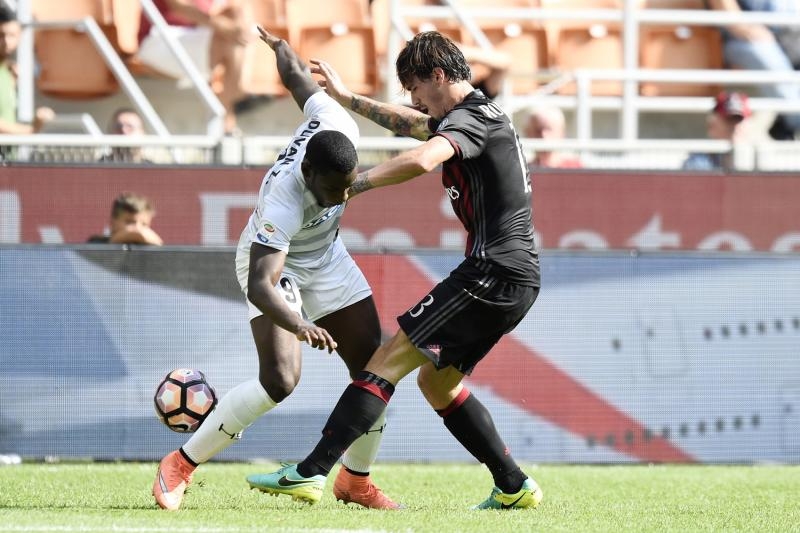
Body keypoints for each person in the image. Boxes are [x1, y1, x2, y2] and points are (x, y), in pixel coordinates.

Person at [246, 31, 543, 511]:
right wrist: (348, 99)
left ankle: (311, 472)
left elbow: (424, 157)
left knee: (385, 361)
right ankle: (513, 485)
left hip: (492, 272)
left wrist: (355, 184)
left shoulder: (470, 120)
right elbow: (413, 125)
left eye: (416, 88)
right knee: (436, 383)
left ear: (439, 75)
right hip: (515, 278)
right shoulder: (476, 115)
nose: (415, 100)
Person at [151, 25, 400, 511]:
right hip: (275, 266)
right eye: (332, 191)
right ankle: (180, 464)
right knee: (281, 380)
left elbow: (298, 81)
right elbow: (263, 285)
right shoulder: (283, 201)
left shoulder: (337, 125)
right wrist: (300, 323)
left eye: (348, 186)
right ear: (308, 173)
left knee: (376, 367)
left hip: (326, 257)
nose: (342, 196)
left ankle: (356, 481)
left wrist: (282, 48)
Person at [136, 0, 250, 135]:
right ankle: (228, 114)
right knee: (233, 39)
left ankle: (226, 112)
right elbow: (179, 7)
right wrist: (224, 27)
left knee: (236, 18)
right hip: (158, 39)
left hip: (195, 38)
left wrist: (238, 30)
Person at [707, 0, 800, 140]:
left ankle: (787, 123)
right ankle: (794, 121)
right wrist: (744, 28)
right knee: (762, 53)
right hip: (746, 37)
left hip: (790, 35)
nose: (736, 128)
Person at [0, 5, 54, 135]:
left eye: (12, 35)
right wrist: (31, 130)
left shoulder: (10, 71)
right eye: (1, 35)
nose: (6, 41)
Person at [682, 91, 751, 171]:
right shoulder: (698, 162)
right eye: (729, 120)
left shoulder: (758, 158)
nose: (735, 126)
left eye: (739, 120)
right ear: (712, 125)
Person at [87, 192, 164, 245]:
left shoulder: (149, 252)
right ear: (112, 223)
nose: (137, 227)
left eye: (144, 224)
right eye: (130, 222)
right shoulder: (95, 245)